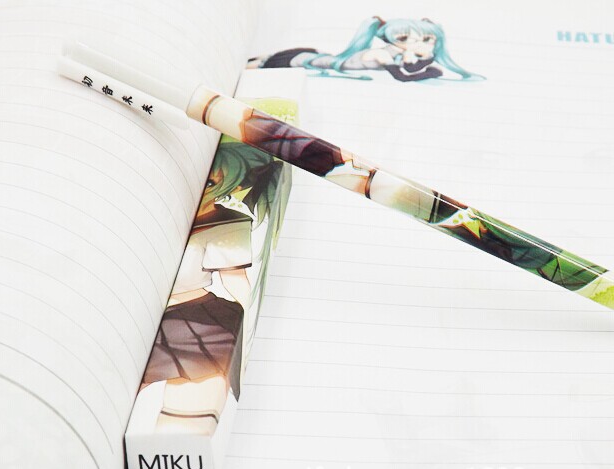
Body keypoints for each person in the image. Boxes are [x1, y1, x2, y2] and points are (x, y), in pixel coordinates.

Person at [140, 141, 286, 434]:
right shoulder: (164, 208)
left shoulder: (227, 222)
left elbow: (235, 280)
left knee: (186, 414)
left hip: (195, 319)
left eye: (214, 181)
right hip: (145, 314)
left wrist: (250, 332)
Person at [248, 16, 484, 82]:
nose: (416, 43)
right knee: (259, 66)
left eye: (426, 39)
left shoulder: (397, 54)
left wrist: (427, 59)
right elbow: (402, 76)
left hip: (315, 58)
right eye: (406, 38)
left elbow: (410, 67)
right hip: (305, 60)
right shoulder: (381, 55)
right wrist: (429, 70)